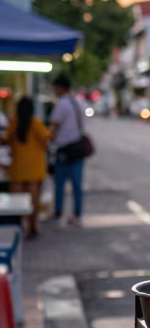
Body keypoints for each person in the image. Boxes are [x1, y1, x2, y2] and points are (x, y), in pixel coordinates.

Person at [3, 97, 50, 236]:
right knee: (33, 203)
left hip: (17, 170)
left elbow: (5, 140)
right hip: (35, 170)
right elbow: (46, 140)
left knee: (16, 205)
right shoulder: (36, 124)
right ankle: (32, 227)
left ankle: (18, 228)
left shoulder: (14, 125)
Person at [49, 74, 86, 225]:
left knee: (59, 184)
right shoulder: (79, 103)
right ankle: (77, 214)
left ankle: (58, 212)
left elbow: (53, 128)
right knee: (77, 185)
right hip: (78, 149)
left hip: (64, 149)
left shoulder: (61, 105)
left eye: (55, 88)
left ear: (60, 88)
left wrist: (48, 142)